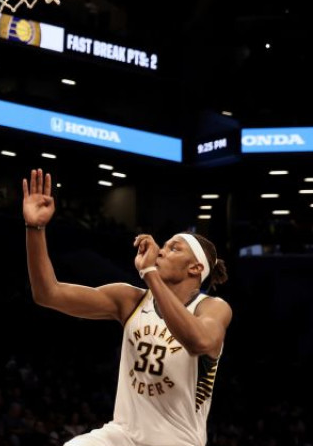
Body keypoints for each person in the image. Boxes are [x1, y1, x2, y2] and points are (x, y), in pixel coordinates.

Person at [22, 169, 233, 446]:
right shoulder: (130, 299)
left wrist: (150, 274)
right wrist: (35, 229)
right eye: (164, 246)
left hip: (177, 440)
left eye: (174, 249)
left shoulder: (213, 307)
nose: (160, 251)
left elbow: (199, 340)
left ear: (195, 268)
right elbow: (48, 293)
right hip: (122, 434)